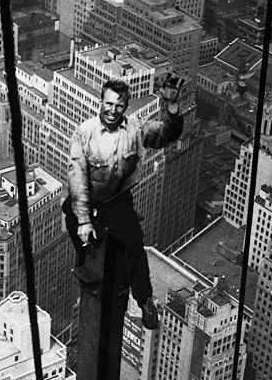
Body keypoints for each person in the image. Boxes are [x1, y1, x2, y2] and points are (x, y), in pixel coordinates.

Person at [63, 72, 185, 330]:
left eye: (119, 106)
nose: (113, 110)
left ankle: (145, 300)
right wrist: (84, 220)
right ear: (101, 102)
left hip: (117, 201)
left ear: (125, 107)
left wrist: (171, 107)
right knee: (73, 220)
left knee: (133, 243)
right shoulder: (84, 133)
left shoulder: (136, 129)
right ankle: (84, 262)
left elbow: (166, 134)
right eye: (109, 104)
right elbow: (77, 179)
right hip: (87, 198)